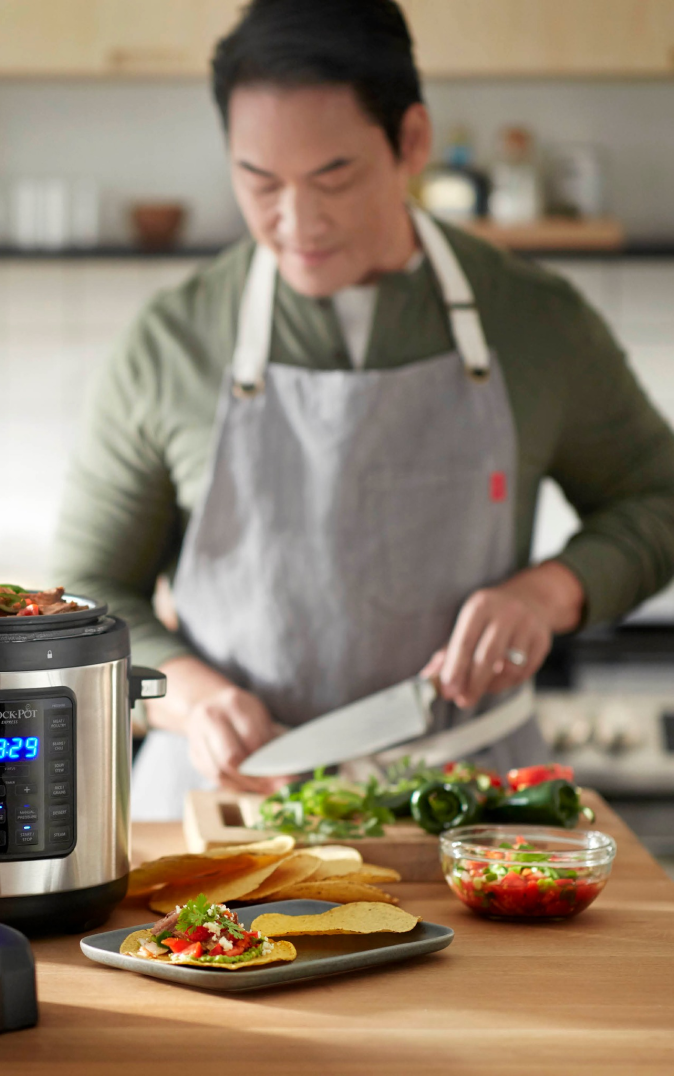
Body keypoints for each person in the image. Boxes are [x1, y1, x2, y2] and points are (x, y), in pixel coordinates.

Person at [52, 0, 674, 820]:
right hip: (225, 815)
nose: (297, 222)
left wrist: (547, 594)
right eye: (260, 181)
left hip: (464, 816)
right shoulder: (173, 341)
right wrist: (190, 698)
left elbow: (658, 500)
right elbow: (85, 597)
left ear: (411, 141)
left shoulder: (534, 320)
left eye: (333, 176)